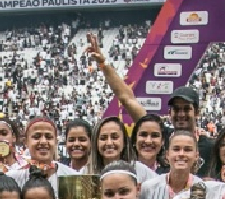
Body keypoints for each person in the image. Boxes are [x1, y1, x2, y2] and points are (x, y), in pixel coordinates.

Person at [87, 33, 214, 166]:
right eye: (176, 109)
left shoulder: (210, 147)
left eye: (186, 109)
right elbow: (127, 99)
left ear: (197, 112)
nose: (181, 114)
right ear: (169, 113)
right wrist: (103, 64)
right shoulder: (158, 136)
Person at [8, 117, 80, 192]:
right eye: (36, 137)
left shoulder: (73, 177)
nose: (43, 142)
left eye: (49, 137)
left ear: (56, 141)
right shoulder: (12, 179)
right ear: (26, 142)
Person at [139, 130, 202, 199]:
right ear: (167, 155)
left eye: (187, 150)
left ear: (196, 156)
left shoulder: (202, 188)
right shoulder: (148, 187)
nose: (181, 154)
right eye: (176, 149)